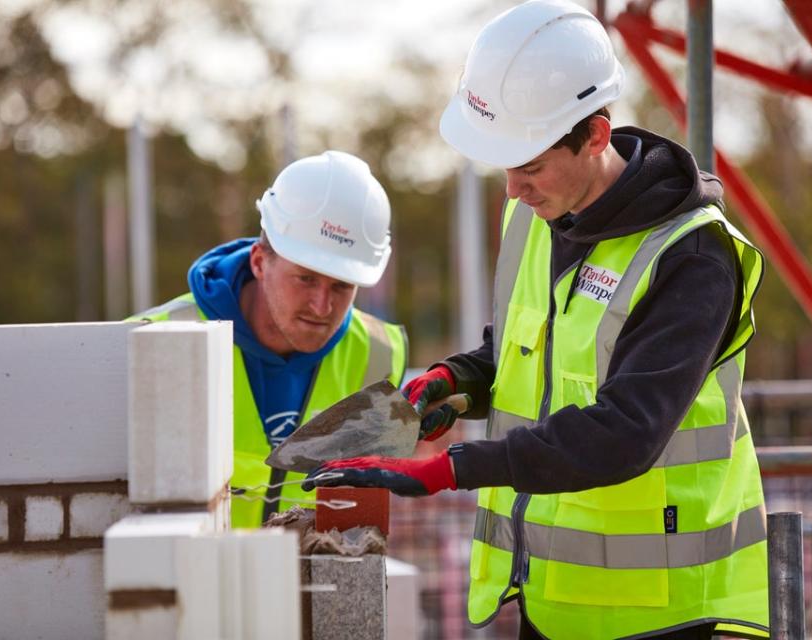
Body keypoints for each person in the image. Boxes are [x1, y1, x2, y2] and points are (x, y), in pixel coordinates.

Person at [303, 2, 769, 639]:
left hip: (671, 611)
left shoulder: (692, 255)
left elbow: (627, 431)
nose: (513, 190)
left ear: (596, 136)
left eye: (529, 166)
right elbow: (525, 355)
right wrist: (454, 377)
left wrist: (452, 469)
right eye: (506, 166)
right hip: (553, 603)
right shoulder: (536, 215)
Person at [131, 150, 407, 528]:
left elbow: (360, 522)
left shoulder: (380, 355)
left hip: (313, 586)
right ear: (260, 261)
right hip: (188, 581)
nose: (322, 306)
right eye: (306, 279)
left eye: (341, 286)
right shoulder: (150, 340)